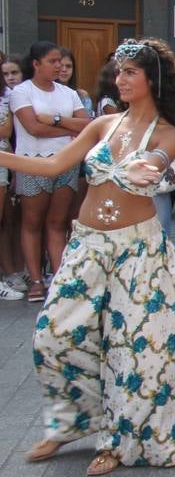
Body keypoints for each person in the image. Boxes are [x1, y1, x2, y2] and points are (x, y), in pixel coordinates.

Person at [6, 39, 175, 476]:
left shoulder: (169, 131)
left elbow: (160, 159)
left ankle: (117, 439)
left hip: (139, 249)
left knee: (133, 349)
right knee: (53, 334)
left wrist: (151, 166)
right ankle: (69, 424)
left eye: (131, 72)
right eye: (119, 70)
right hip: (88, 245)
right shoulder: (102, 124)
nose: (121, 78)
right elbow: (53, 167)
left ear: (152, 80)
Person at [11, 42, 92, 302]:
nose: (59, 66)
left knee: (58, 222)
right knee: (32, 222)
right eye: (53, 61)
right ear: (36, 64)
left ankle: (58, 277)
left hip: (66, 163)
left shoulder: (68, 93)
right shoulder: (21, 92)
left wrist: (55, 120)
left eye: (61, 61)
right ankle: (35, 279)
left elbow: (87, 124)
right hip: (33, 163)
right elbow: (33, 128)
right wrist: (69, 128)